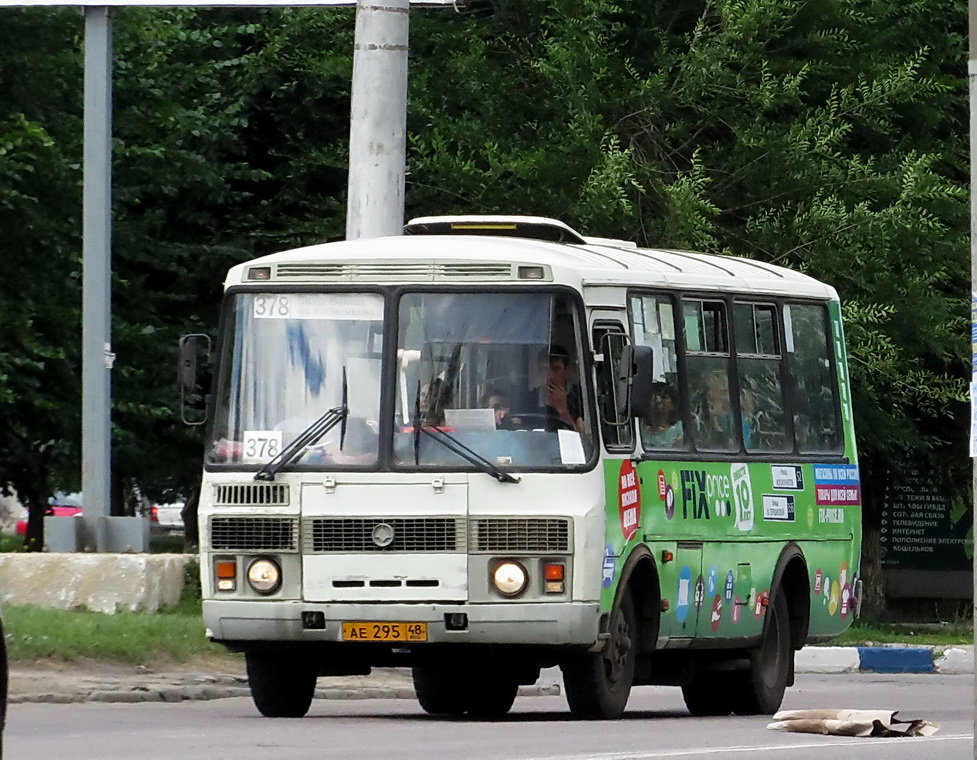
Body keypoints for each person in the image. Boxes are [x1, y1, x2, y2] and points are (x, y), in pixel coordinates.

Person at [509, 345, 584, 433]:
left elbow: (587, 438)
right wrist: (504, 417)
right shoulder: (528, 398)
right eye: (545, 369)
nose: (550, 375)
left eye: (556, 368)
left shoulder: (581, 396)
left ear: (566, 370)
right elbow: (516, 425)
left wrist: (563, 410)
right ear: (539, 370)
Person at [694, 370, 752, 449]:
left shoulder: (737, 419)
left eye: (709, 389)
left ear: (721, 390)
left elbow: (738, 449)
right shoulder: (702, 416)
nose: (707, 393)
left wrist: (717, 427)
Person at [642, 382, 684, 448]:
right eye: (655, 397)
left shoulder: (680, 430)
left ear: (673, 404)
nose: (658, 401)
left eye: (664, 397)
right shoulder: (640, 427)